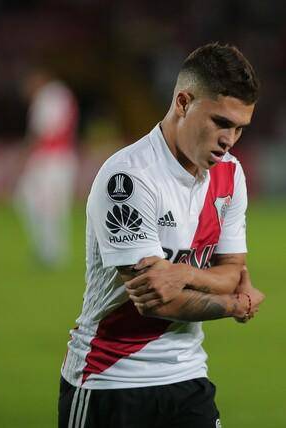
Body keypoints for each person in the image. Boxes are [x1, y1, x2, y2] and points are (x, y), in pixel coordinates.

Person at [59, 43, 265, 428]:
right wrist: (232, 305)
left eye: (239, 128)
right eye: (221, 122)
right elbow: (154, 300)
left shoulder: (230, 175)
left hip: (186, 377)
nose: (230, 140)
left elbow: (233, 272)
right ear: (184, 102)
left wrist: (184, 274)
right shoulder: (129, 178)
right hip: (109, 381)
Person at [16, 67, 78, 268]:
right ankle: (49, 250)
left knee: (47, 205)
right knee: (38, 203)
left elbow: (44, 131)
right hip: (57, 158)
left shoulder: (50, 95)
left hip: (51, 158)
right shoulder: (58, 94)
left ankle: (52, 253)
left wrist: (25, 154)